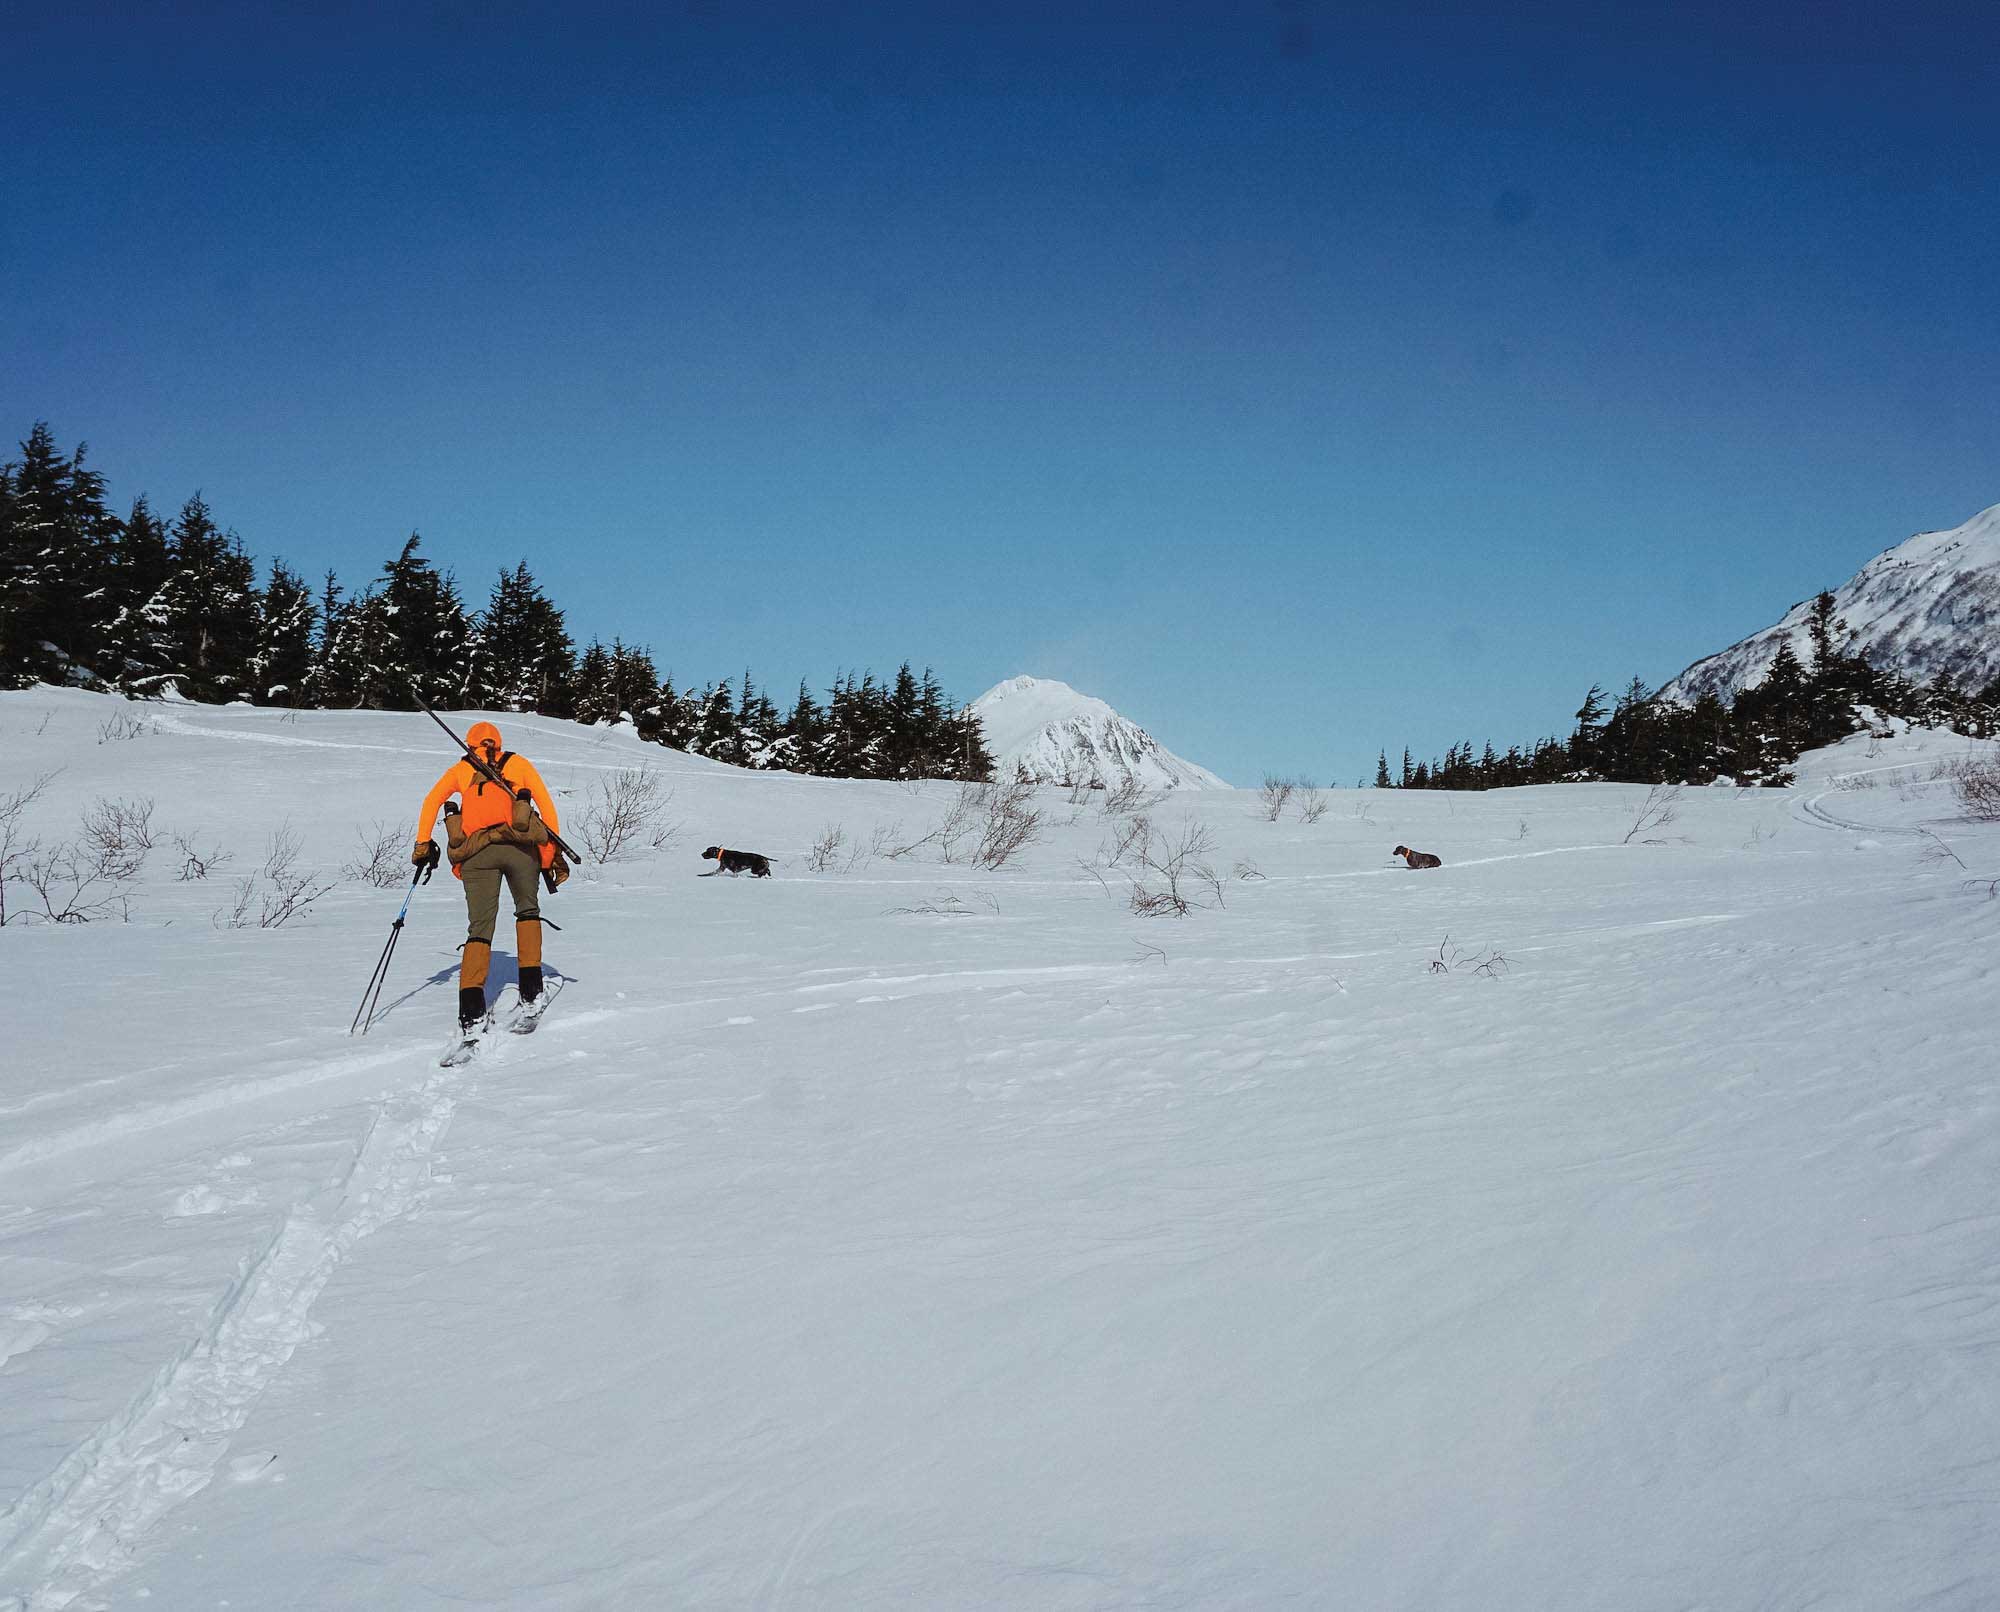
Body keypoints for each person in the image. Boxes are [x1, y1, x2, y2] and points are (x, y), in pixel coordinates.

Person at [411, 720, 564, 1031]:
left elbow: (430, 802)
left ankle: (470, 1011)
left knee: (479, 928)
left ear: (471, 743)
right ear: (498, 740)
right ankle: (532, 991)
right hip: (520, 851)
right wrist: (552, 851)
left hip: (477, 854)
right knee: (528, 912)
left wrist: (423, 843)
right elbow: (546, 806)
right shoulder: (518, 763)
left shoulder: (462, 769)